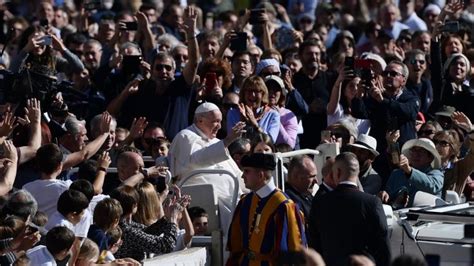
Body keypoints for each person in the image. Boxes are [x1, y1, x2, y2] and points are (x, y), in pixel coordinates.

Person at [169, 102, 246, 222]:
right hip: (206, 196)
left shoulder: (215, 141)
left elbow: (236, 173)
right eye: (215, 121)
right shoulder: (185, 136)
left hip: (231, 195)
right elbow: (196, 161)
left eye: (221, 121)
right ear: (200, 120)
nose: (220, 126)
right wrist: (228, 140)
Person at [309, 152, 390, 266]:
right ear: (357, 173)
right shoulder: (372, 203)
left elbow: (314, 244)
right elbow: (383, 245)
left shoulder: (320, 202)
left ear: (337, 172)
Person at [227, 153, 307, 265]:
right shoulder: (246, 202)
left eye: (247, 171)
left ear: (260, 175)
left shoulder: (284, 205)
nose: (242, 176)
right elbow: (236, 245)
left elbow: (294, 248)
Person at [381, 138, 444, 208]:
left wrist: (409, 171)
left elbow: (432, 186)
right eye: (414, 150)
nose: (416, 154)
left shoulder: (437, 174)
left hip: (425, 216)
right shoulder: (396, 174)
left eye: (422, 151)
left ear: (431, 157)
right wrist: (384, 196)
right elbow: (388, 195)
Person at [227, 75, 281, 143]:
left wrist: (255, 124)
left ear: (263, 94)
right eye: (249, 90)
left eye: (256, 91)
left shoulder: (273, 115)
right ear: (244, 93)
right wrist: (242, 121)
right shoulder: (233, 113)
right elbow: (231, 142)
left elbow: (271, 141)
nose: (253, 95)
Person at [285, 155, 317, 225]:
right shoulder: (290, 201)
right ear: (296, 177)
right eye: (312, 176)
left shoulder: (306, 194)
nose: (316, 181)